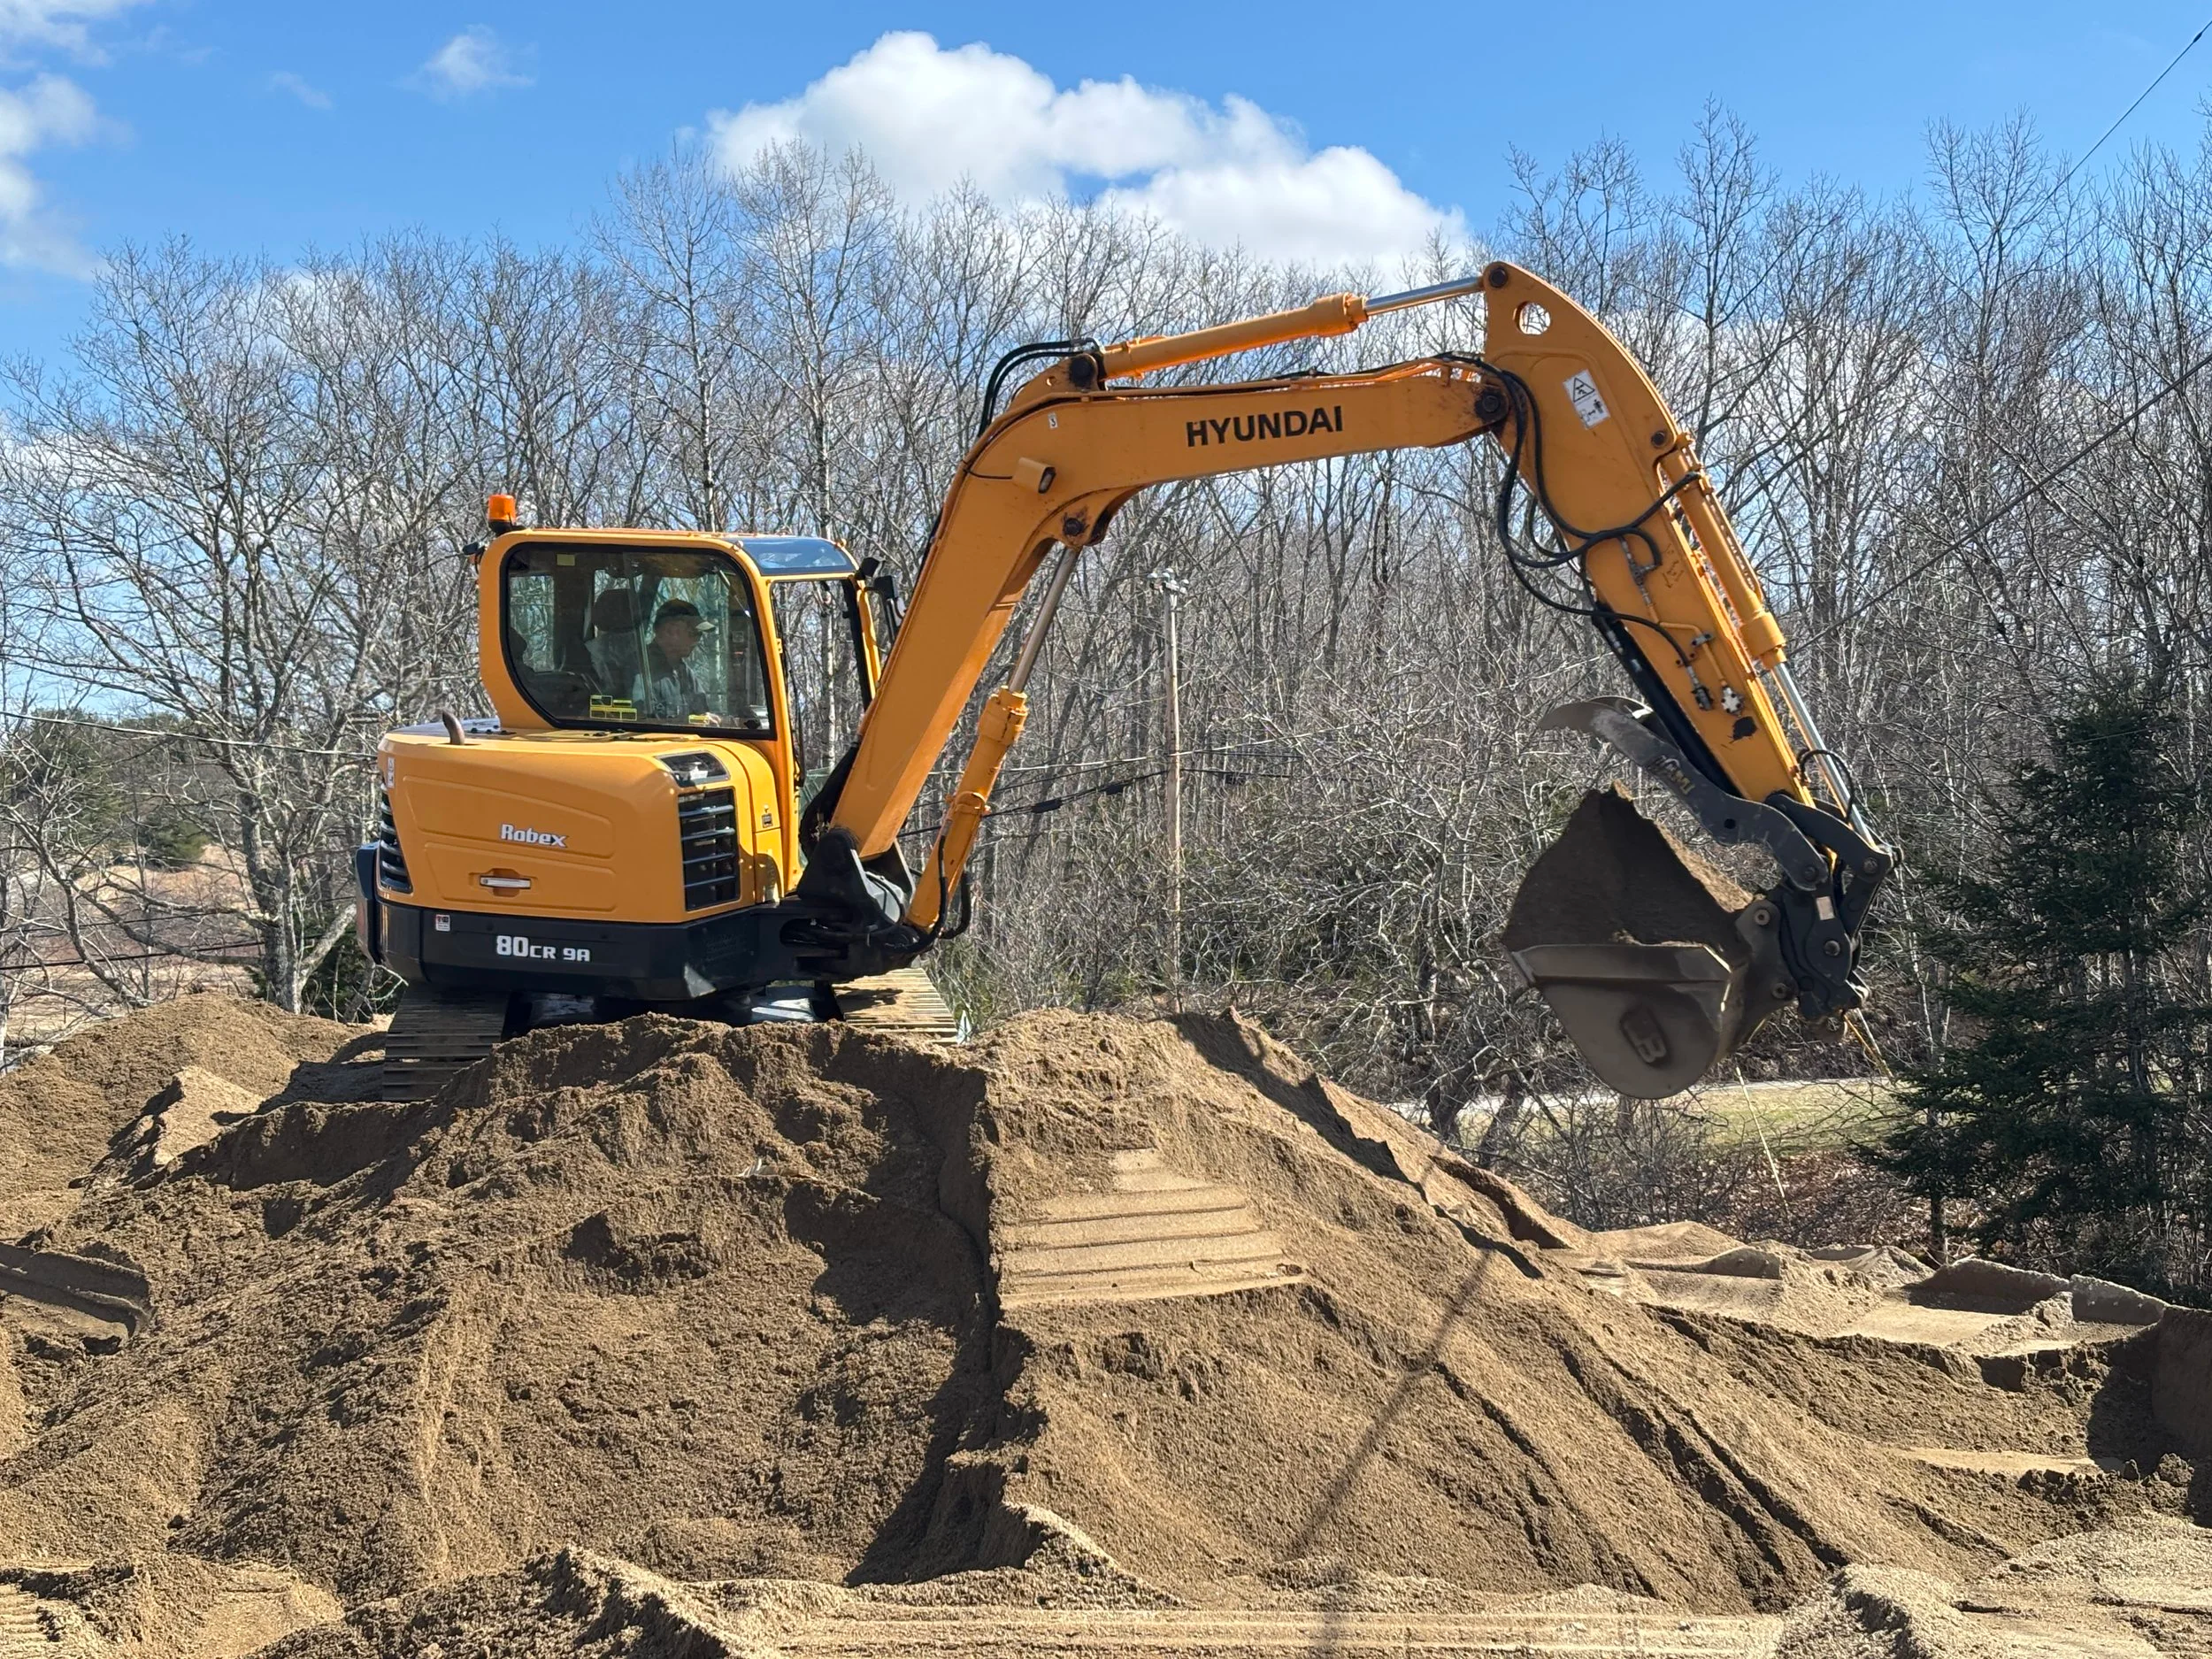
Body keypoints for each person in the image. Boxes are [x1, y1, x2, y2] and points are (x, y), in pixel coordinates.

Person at [634, 598, 714, 719]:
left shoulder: (685, 672)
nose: (697, 641)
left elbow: (700, 712)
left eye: (700, 635)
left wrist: (706, 718)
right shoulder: (639, 668)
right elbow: (639, 722)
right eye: (693, 633)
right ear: (669, 631)